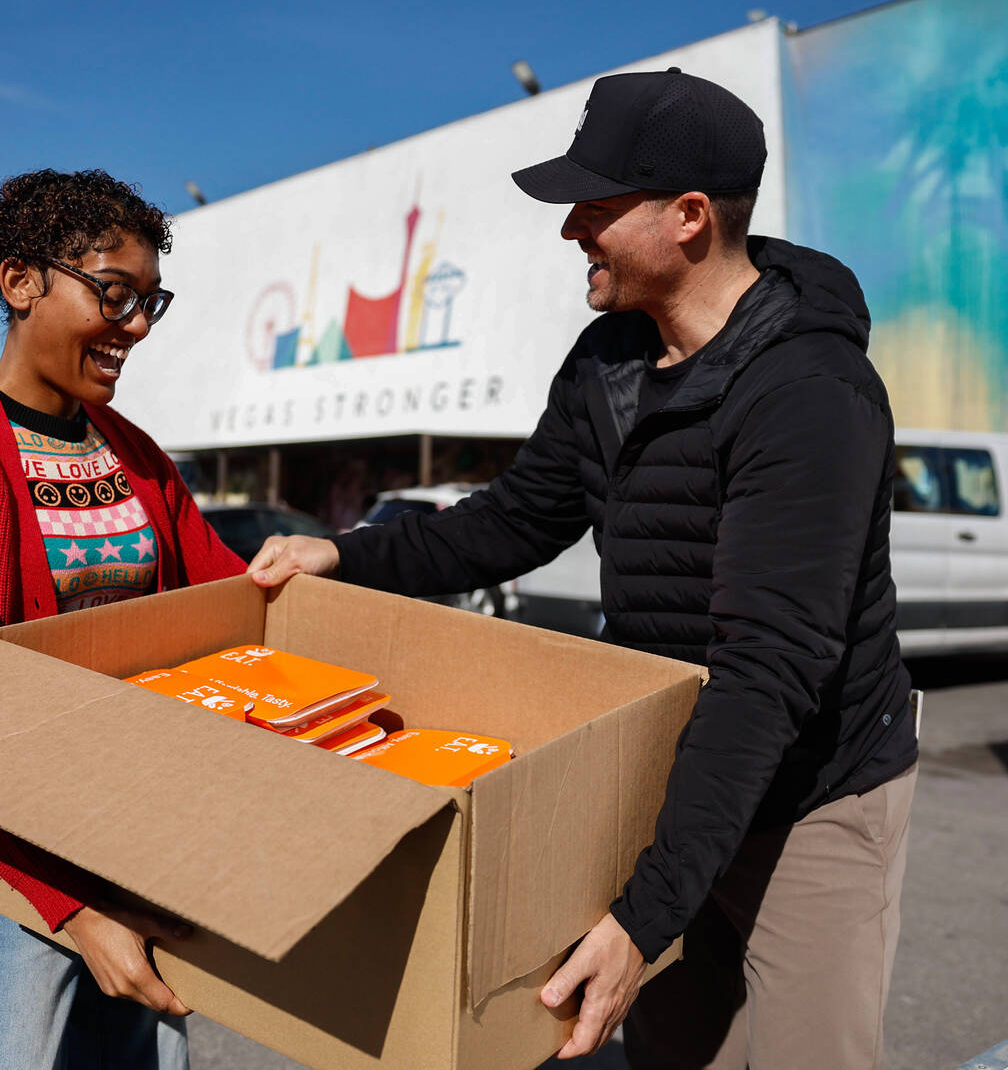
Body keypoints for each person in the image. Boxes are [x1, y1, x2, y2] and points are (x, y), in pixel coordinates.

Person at [248, 69, 919, 1069]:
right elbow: (511, 522)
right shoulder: (608, 362)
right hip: (669, 768)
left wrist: (644, 917)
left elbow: (767, 671)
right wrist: (341, 551)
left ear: (689, 217)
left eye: (595, 208)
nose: (571, 232)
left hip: (811, 791)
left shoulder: (810, 393)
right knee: (672, 1052)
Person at [0, 168, 245, 1069]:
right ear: (20, 281)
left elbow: (236, 607)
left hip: (137, 828)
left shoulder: (136, 455)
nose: (137, 327)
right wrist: (72, 907)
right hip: (7, 847)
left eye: (151, 300)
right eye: (115, 294)